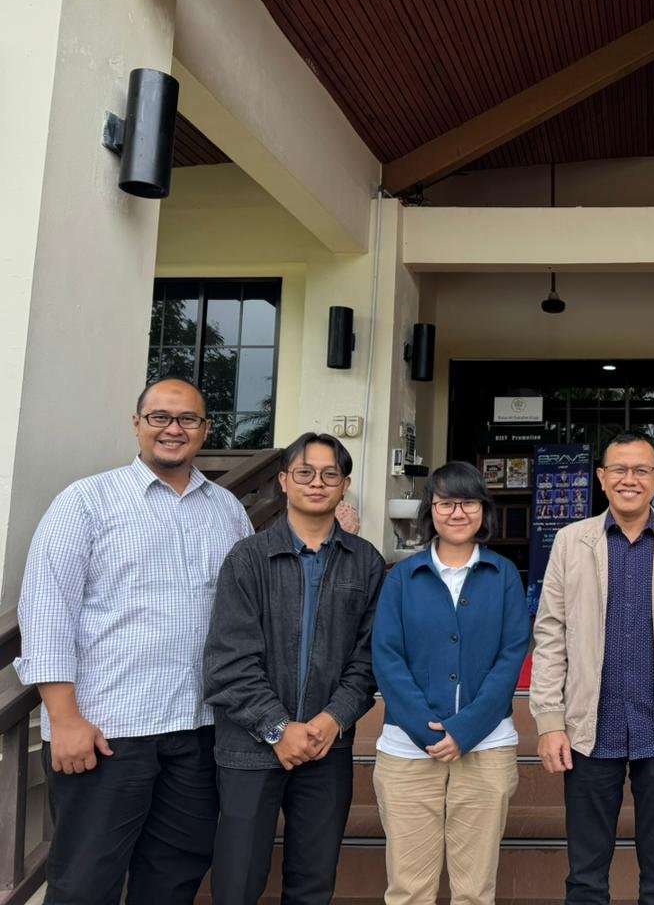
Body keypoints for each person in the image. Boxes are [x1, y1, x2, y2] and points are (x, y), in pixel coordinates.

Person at [15, 378, 253, 904]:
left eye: (187, 419)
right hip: (106, 732)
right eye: (160, 417)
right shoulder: (86, 501)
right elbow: (47, 611)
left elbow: (245, 610)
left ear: (206, 429)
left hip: (197, 728)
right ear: (137, 424)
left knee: (173, 880)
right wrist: (64, 718)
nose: (173, 429)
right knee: (84, 883)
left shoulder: (228, 511)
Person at [531, 430, 654, 905]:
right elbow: (550, 636)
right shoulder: (571, 541)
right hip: (590, 732)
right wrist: (549, 722)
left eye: (641, 470)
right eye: (619, 469)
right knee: (585, 879)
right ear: (601, 477)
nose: (629, 479)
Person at [202, 432, 384, 904]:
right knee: (238, 882)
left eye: (329, 474)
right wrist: (279, 729)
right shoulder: (248, 558)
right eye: (304, 473)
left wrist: (332, 719)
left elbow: (369, 658)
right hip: (250, 745)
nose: (316, 483)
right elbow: (228, 660)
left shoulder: (365, 562)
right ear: (283, 481)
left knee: (314, 881)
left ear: (344, 485)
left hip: (327, 744)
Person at [371, 461, 529, 905]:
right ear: (430, 510)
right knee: (409, 888)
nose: (457, 513)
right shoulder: (403, 577)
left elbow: (511, 656)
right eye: (446, 503)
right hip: (408, 750)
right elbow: (387, 657)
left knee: (474, 890)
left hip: (486, 748)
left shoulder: (503, 576)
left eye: (468, 502)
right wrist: (427, 730)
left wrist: (465, 730)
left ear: (483, 510)